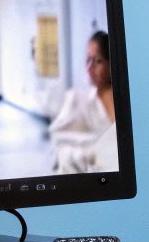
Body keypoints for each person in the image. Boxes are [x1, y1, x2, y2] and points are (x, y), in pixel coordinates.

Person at [49, 30, 119, 173]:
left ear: (111, 63)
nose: (89, 68)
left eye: (97, 61)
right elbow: (60, 141)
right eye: (88, 60)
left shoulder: (123, 98)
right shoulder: (78, 100)